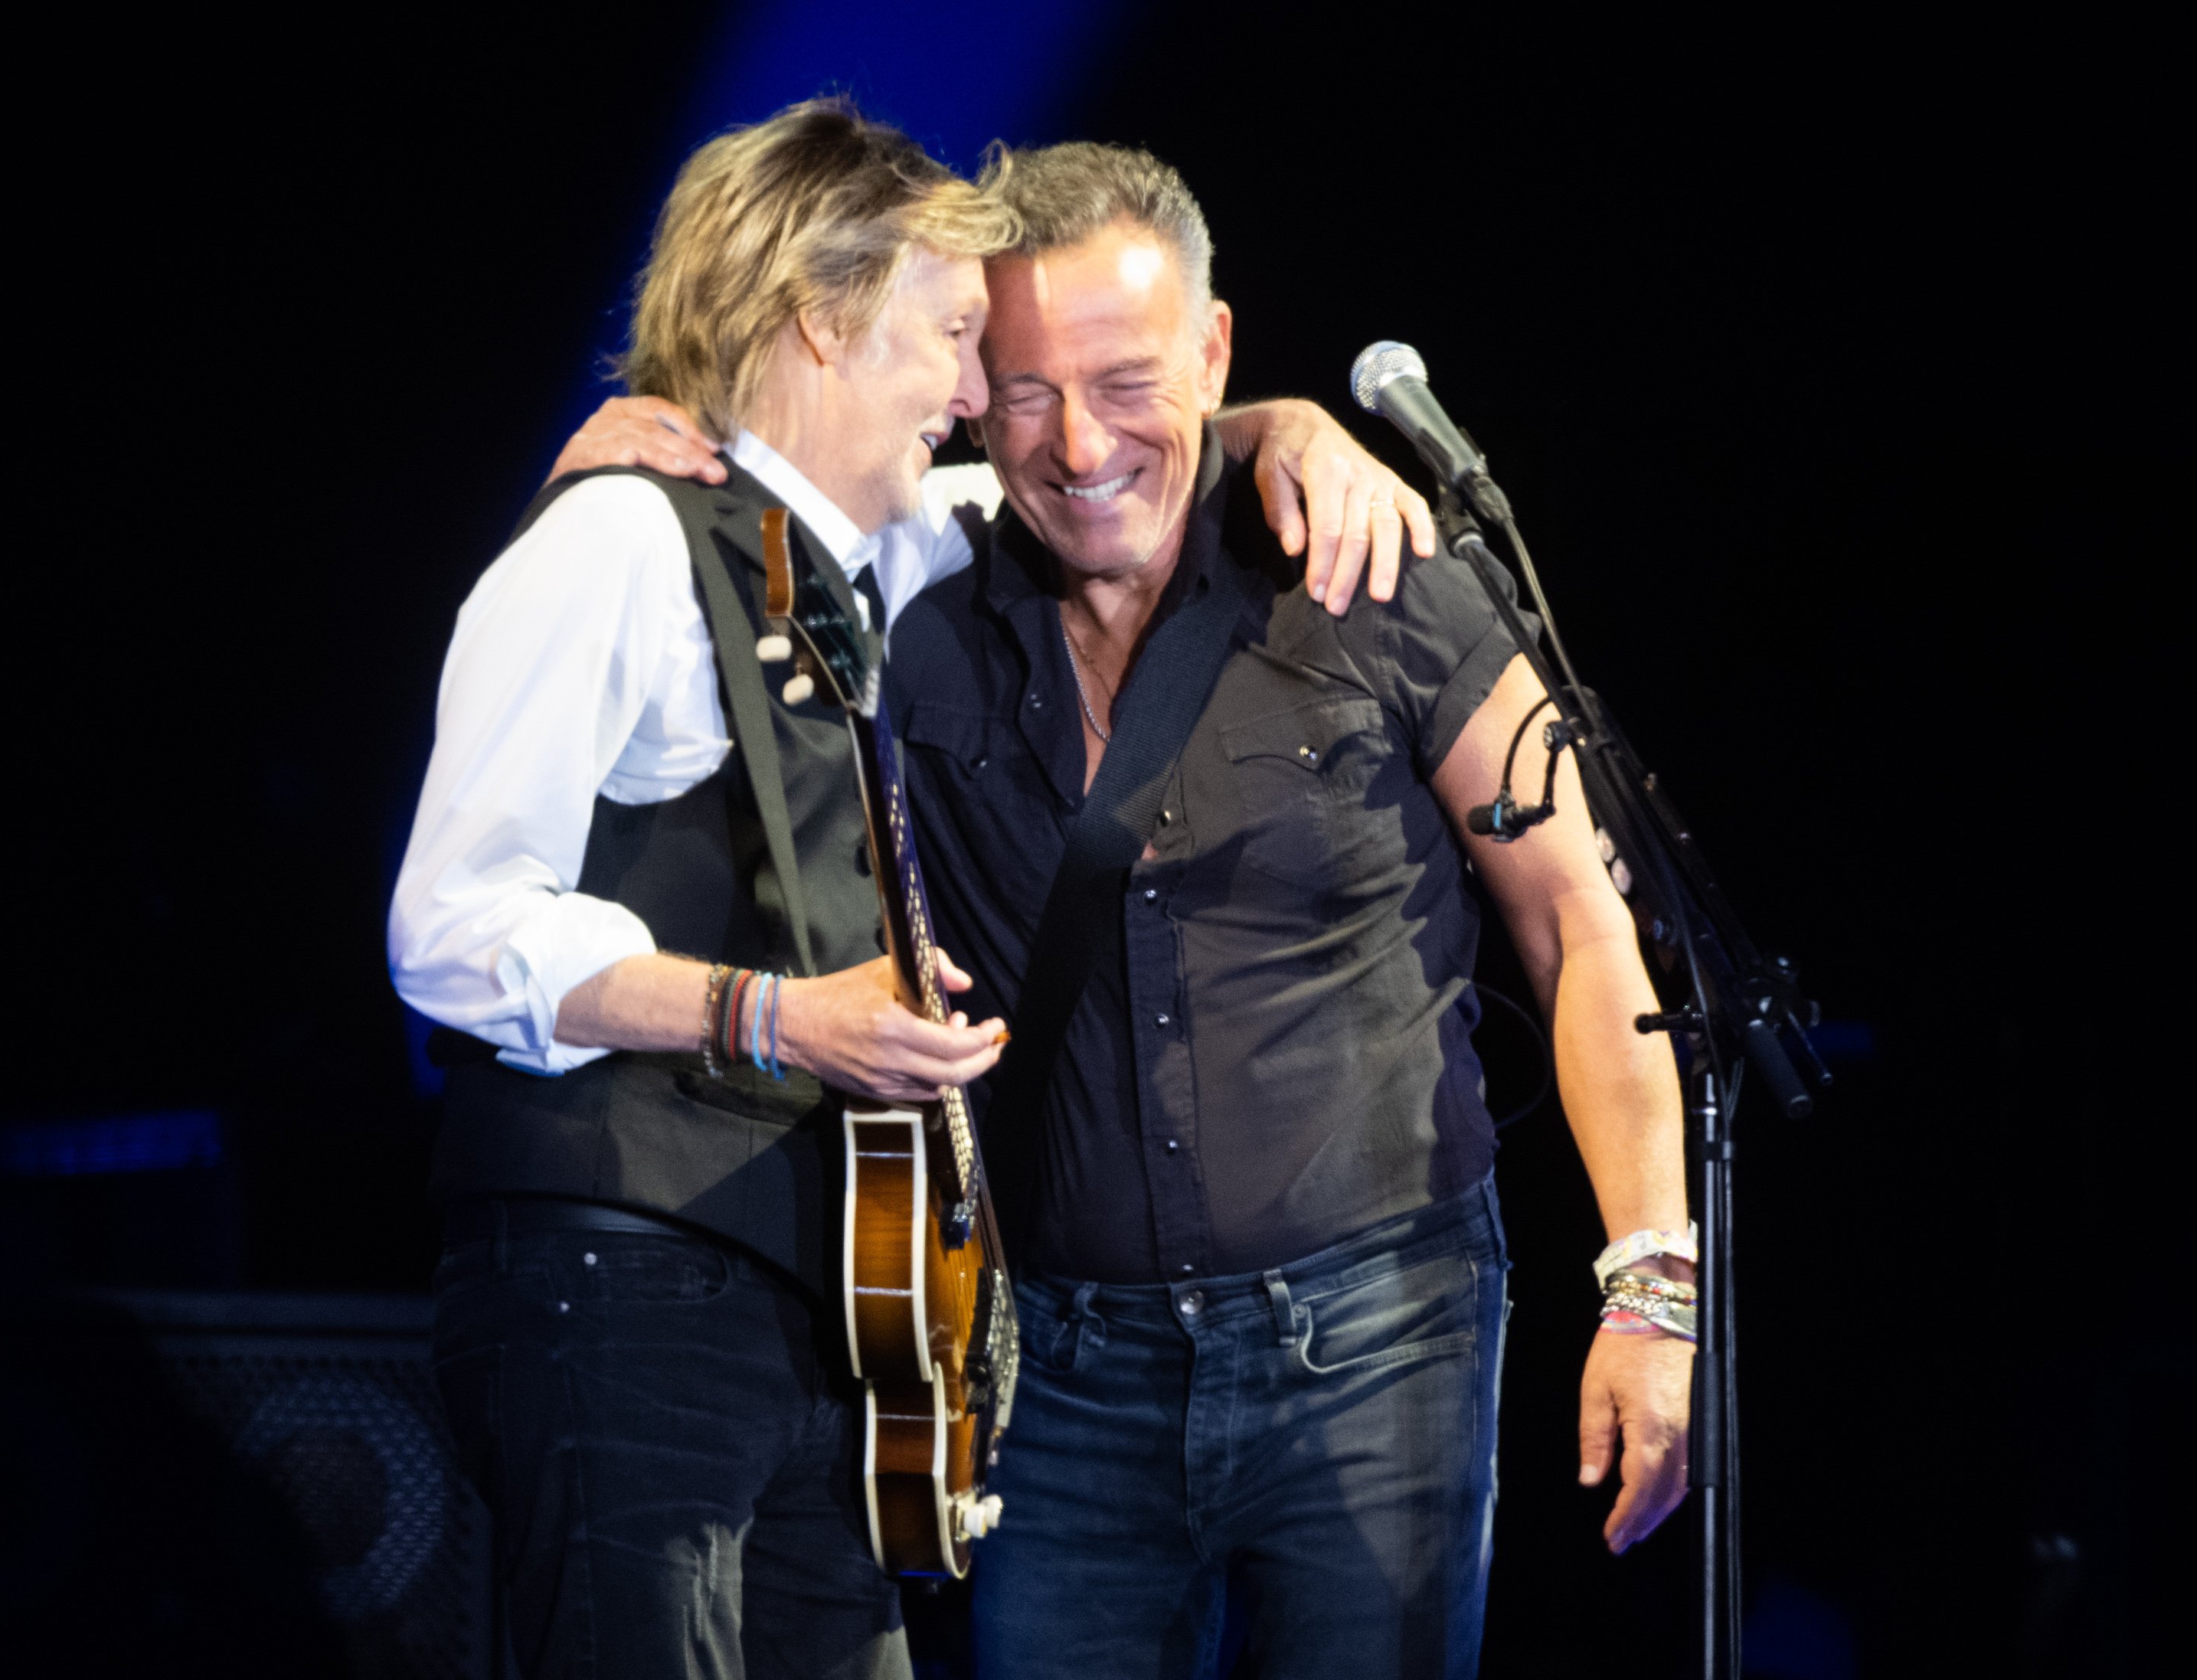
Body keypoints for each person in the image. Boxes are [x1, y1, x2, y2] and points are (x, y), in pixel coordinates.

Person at [571, 142, 1695, 1678]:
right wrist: (644, 464)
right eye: (1026, 387)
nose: (1079, 442)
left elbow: (1580, 922)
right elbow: (737, 521)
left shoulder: (1377, 569)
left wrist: (1653, 1283)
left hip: (1381, 1347)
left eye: (1129, 380)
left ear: (1218, 348)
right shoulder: (910, 581)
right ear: (969, 385)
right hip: (1059, 1371)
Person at [394, 103, 1427, 1680]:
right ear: (819, 319)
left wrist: (1282, 422)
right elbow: (450, 930)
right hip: (618, 1282)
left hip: (814, 1320)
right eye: (951, 337)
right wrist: (773, 1014)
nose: (975, 398)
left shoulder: (867, 562)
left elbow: (1094, 477)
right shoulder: (615, 541)